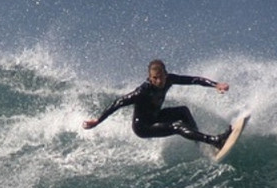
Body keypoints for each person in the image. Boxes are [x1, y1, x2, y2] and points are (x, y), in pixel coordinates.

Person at [82, 59, 233, 148]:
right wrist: (97, 121)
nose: (159, 81)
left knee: (183, 111)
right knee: (177, 126)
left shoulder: (169, 79)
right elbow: (118, 103)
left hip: (156, 116)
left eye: (161, 76)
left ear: (165, 74)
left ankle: (199, 142)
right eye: (155, 78)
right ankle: (214, 141)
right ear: (150, 78)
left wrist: (216, 85)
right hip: (143, 127)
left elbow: (193, 80)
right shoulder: (142, 91)